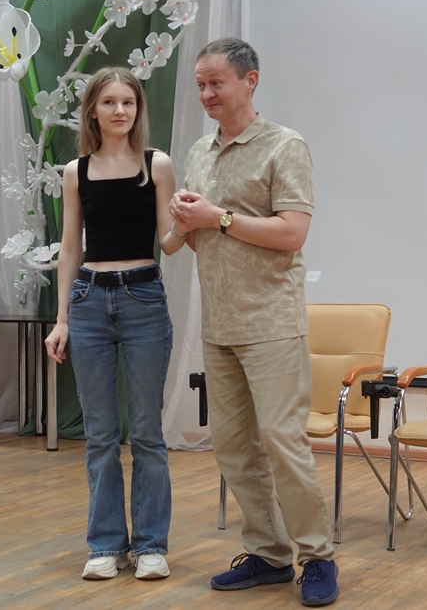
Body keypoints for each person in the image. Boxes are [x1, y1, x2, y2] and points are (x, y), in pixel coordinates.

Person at [169, 38, 339, 607]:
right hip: (219, 324)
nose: (206, 94)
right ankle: (268, 554)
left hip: (270, 321)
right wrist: (185, 224)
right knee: (234, 448)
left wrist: (217, 217)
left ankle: (318, 557)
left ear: (250, 80)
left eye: (216, 82)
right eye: (200, 85)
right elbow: (199, 240)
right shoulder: (199, 152)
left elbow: (292, 232)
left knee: (282, 443)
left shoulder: (284, 146)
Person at [44, 66, 187, 582]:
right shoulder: (75, 172)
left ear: (138, 109)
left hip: (143, 297)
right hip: (88, 301)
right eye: (109, 102)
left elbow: (168, 242)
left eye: (128, 102)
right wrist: (61, 319)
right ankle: (105, 544)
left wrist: (187, 225)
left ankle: (150, 545)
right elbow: (70, 248)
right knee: (100, 434)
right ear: (93, 111)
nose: (120, 110)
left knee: (146, 432)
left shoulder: (157, 165)